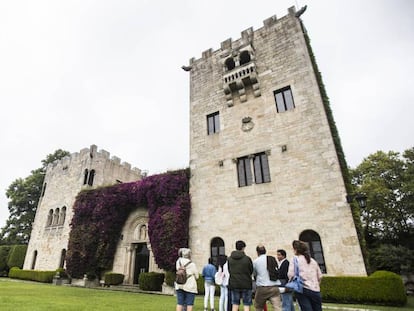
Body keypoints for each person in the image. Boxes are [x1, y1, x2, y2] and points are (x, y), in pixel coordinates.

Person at [288, 240, 322, 311]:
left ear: (296, 249)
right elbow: (320, 276)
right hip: (315, 289)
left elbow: (290, 275)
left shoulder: (295, 260)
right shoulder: (313, 261)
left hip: (302, 288)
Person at [252, 244, 281, 311]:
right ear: (265, 251)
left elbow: (255, 273)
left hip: (262, 286)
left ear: (257, 252)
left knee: (258, 307)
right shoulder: (272, 259)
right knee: (277, 307)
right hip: (274, 285)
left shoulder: (256, 261)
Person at [227, 240, 254, 311]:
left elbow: (229, 270)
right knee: (246, 304)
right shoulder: (247, 259)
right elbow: (251, 270)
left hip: (234, 283)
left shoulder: (230, 259)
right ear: (243, 248)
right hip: (246, 283)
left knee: (235, 304)